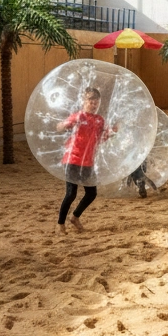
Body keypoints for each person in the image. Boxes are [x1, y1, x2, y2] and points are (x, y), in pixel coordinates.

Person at [57, 86, 116, 232]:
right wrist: (63, 125)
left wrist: (111, 133)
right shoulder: (78, 116)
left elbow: (100, 139)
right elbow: (60, 127)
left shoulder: (100, 120)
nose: (94, 105)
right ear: (84, 101)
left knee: (91, 193)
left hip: (88, 162)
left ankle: (75, 217)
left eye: (96, 102)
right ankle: (60, 224)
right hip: (72, 159)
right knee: (71, 194)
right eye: (91, 101)